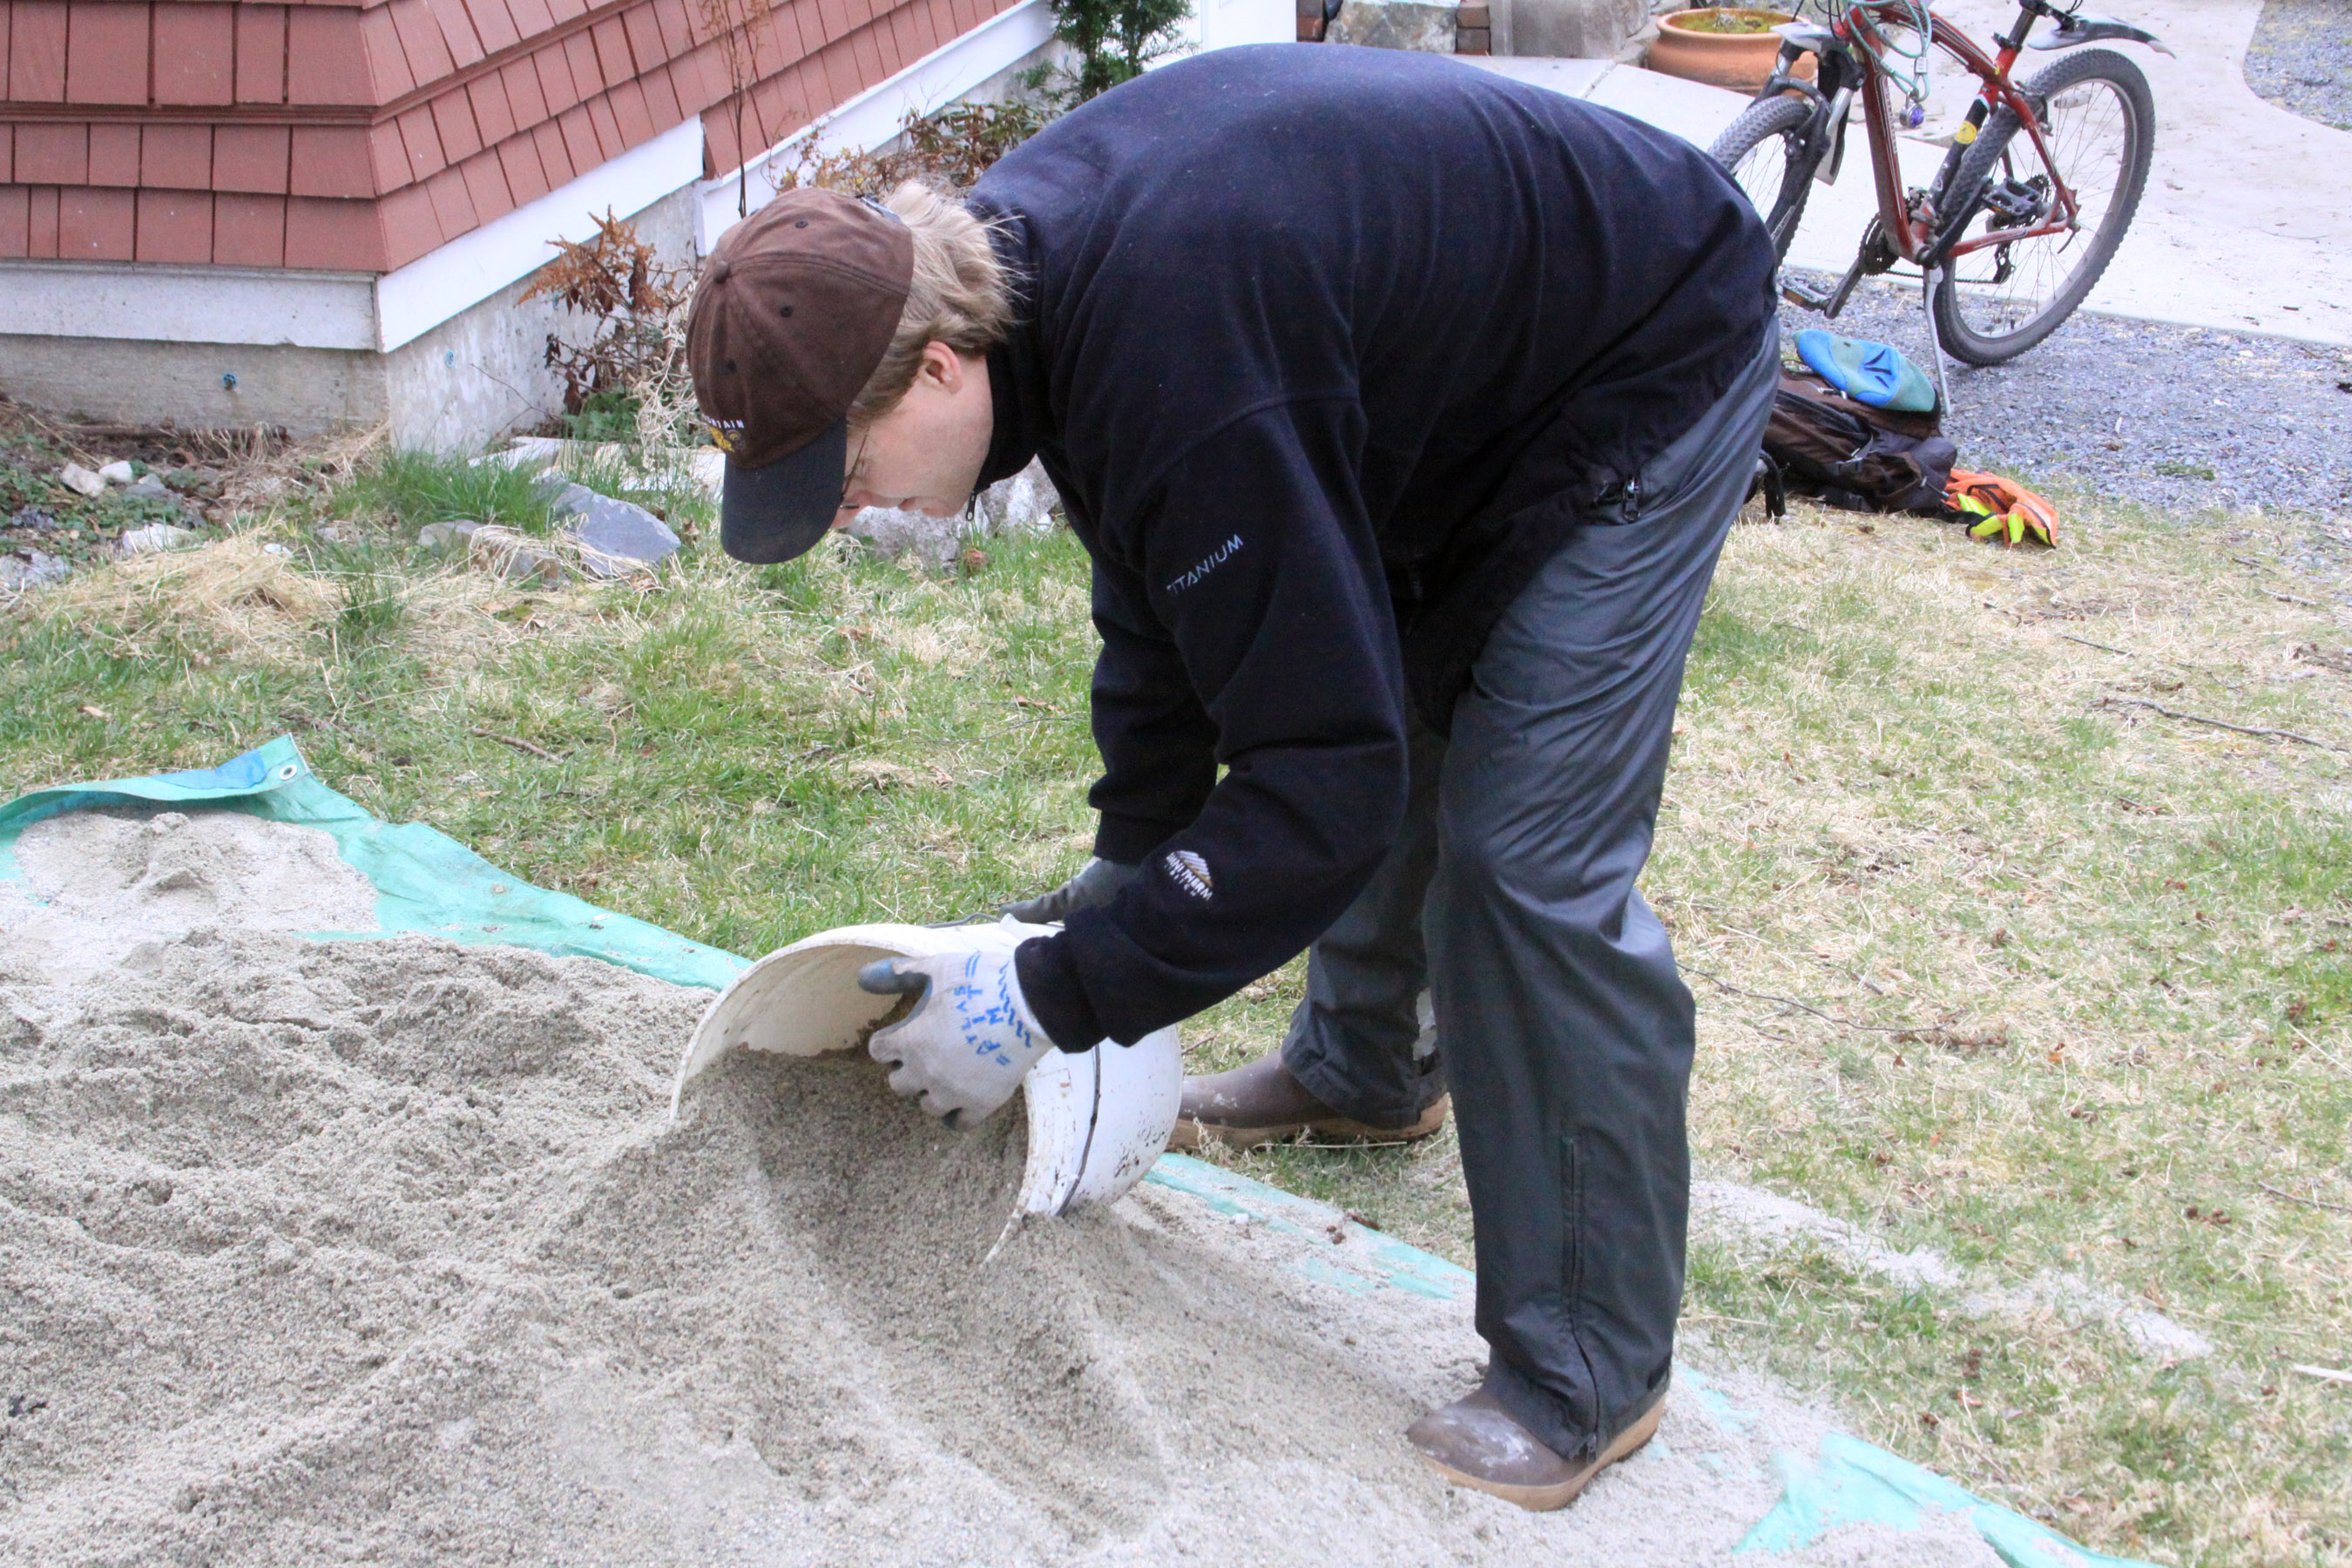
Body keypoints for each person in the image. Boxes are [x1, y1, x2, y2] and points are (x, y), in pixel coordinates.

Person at [685, 42, 1776, 1512]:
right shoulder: (1028, 292)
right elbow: (1163, 584)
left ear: (935, 367)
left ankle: (1588, 1366)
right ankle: (1365, 1073)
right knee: (1353, 664)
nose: (846, 513)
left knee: (1521, 860)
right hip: (1435, 370)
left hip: (1641, 342)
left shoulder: (1176, 340)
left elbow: (1323, 788)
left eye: (846, 469)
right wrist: (1135, 860)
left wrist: (1057, 993)